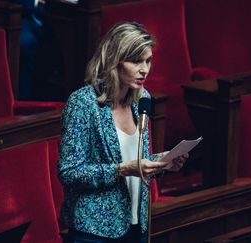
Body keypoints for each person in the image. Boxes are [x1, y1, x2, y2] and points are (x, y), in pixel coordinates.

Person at [58, 22, 188, 243]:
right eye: (136, 61)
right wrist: (120, 170)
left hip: (136, 223)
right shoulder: (82, 103)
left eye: (148, 61)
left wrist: (162, 163)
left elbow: (135, 161)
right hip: (94, 230)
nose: (145, 69)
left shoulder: (141, 98)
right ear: (114, 60)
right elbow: (69, 172)